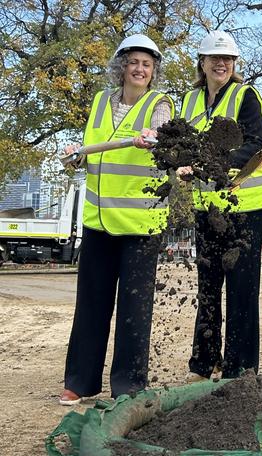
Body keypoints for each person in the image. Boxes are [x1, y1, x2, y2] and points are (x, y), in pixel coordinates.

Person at [60, 34, 174, 405]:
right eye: (133, 62)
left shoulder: (160, 104)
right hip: (100, 221)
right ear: (121, 66)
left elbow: (163, 137)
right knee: (91, 302)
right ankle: (79, 381)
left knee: (133, 308)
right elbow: (92, 153)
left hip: (141, 225)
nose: (140, 69)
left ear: (153, 70)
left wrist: (153, 138)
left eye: (147, 64)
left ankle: (128, 386)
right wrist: (75, 156)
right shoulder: (100, 102)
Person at [179, 31, 262, 381]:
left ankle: (240, 367)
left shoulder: (246, 97)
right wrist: (181, 163)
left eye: (228, 59)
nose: (221, 64)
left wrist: (206, 161)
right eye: (214, 58)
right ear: (202, 62)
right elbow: (183, 144)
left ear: (234, 64)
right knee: (208, 285)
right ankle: (204, 362)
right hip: (207, 208)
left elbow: (255, 145)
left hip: (244, 207)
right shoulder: (188, 101)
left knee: (242, 287)